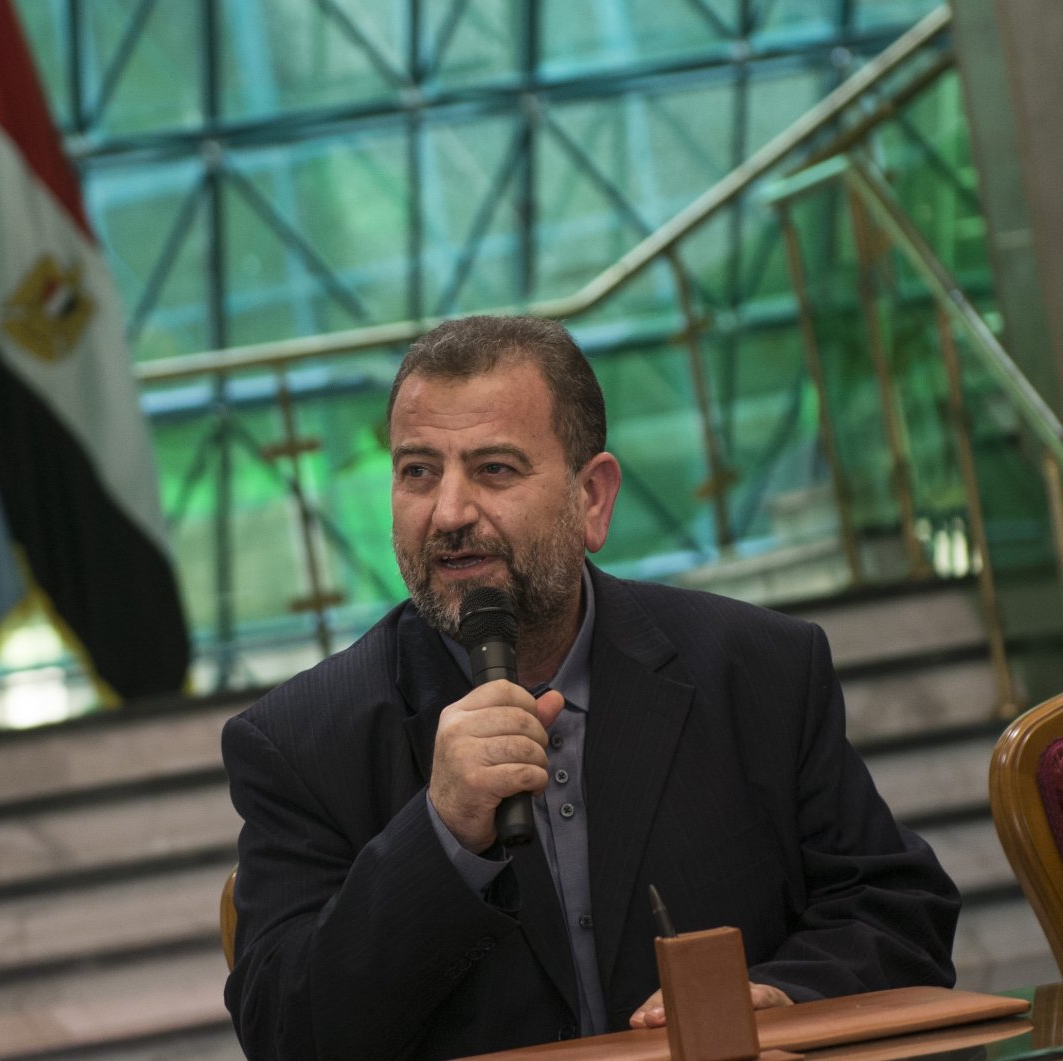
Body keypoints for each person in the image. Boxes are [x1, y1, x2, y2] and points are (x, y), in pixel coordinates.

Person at [220, 315, 959, 1060]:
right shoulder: (300, 743)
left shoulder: (759, 668)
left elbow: (899, 913)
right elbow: (287, 1033)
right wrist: (440, 833)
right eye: (417, 471)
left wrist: (783, 996)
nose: (448, 512)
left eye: (495, 469)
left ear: (593, 498)